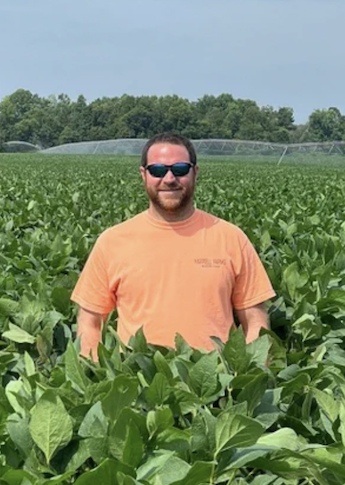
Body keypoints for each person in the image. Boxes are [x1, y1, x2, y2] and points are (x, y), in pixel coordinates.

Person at [71, 133, 275, 360]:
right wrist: (94, 378)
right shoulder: (112, 242)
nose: (169, 178)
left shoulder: (231, 238)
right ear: (144, 175)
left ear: (195, 172)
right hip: (139, 383)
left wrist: (249, 378)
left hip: (215, 383)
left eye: (180, 169)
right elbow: (90, 322)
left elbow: (256, 322)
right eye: (157, 170)